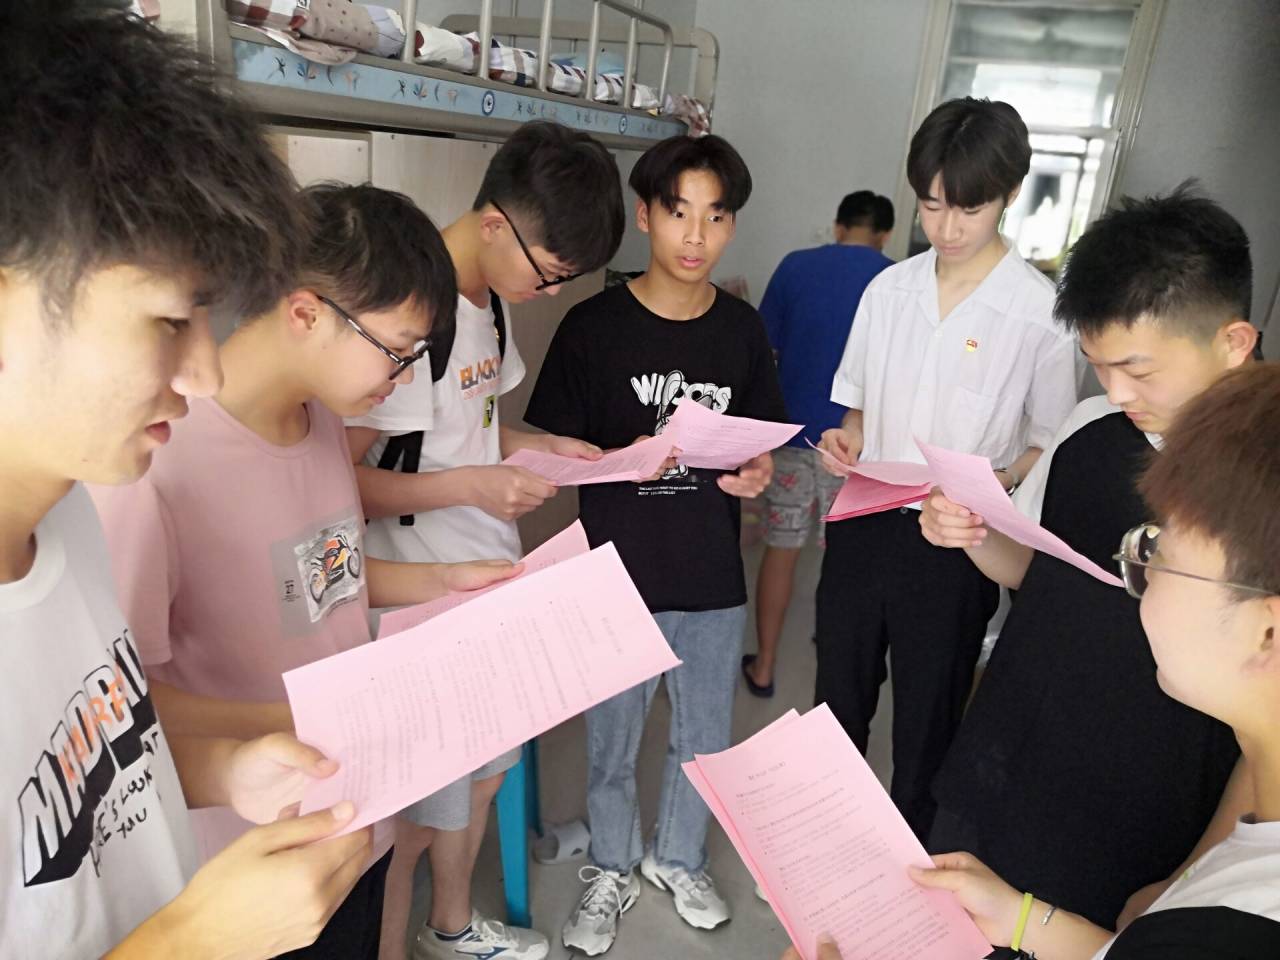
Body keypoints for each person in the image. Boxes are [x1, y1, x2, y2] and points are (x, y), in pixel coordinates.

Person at [0, 3, 371, 956]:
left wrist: (224, 768)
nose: (204, 374)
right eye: (169, 320)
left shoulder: (66, 513)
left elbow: (98, 754)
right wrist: (194, 939)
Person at [90, 182, 517, 959]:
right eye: (398, 349)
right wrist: (302, 725)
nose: (404, 376)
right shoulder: (157, 464)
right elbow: (126, 705)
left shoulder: (321, 421)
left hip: (355, 812)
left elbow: (327, 580)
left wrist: (446, 582)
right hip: (250, 867)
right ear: (306, 313)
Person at [921, 186, 1257, 935]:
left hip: (1139, 826)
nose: (1116, 391)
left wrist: (1194, 875)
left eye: (1138, 369)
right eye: (1098, 365)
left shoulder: (1260, 485)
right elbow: (1039, 573)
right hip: (999, 766)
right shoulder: (1090, 429)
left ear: (1233, 342)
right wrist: (974, 532)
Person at [343, 121, 625, 960]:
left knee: (483, 774)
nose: (550, 290)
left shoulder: (491, 302)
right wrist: (470, 486)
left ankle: (451, 926)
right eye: (551, 272)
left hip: (487, 575)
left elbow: (475, 427)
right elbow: (336, 484)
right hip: (416, 588)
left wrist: (542, 447)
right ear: (495, 224)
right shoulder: (406, 310)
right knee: (410, 819)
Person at [910, 362, 1280, 960]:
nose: (1137, 575)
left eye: (1158, 553)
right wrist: (1024, 919)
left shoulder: (1237, 926)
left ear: (1267, 630)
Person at [524, 134, 787, 956]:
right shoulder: (592, 327)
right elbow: (549, 453)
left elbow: (760, 449)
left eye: (716, 216)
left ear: (732, 225)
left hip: (711, 576)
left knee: (703, 739)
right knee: (612, 743)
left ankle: (678, 858)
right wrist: (616, 460)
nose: (696, 235)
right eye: (679, 213)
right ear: (645, 216)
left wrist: (758, 473)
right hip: (616, 577)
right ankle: (611, 865)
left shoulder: (741, 330)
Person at [815, 97, 1078, 840]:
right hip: (865, 517)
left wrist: (990, 487)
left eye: (969, 208)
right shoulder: (888, 291)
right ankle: (822, 842)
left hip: (957, 539)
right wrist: (847, 439)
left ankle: (909, 859)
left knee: (929, 716)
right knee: (837, 696)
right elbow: (858, 412)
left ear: (1009, 194)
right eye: (932, 206)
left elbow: (1049, 442)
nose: (947, 228)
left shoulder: (1039, 315)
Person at [742, 190, 895, 697]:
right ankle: (829, 651)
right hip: (855, 447)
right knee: (843, 559)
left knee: (782, 550)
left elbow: (764, 349)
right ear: (885, 234)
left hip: (793, 433)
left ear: (838, 227)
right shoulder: (896, 280)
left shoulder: (795, 266)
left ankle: (764, 667)